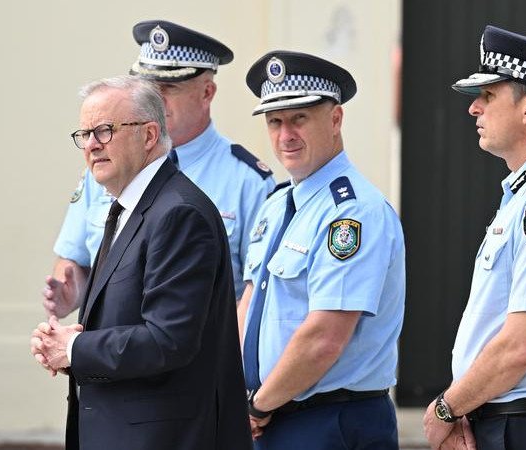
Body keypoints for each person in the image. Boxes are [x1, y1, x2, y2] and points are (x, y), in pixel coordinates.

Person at [30, 75, 252, 450]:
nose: (91, 145)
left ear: (149, 136)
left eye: (104, 131)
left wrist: (74, 349)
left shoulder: (178, 213)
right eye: (84, 134)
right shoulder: (129, 209)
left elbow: (168, 339)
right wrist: (65, 346)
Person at [423, 25, 526, 450]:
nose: (474, 109)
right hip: (514, 420)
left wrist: (446, 408)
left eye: (489, 95)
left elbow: (519, 344)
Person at [43, 20, 275, 318]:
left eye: (168, 88)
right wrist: (71, 292)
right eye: (147, 88)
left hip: (192, 355)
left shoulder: (248, 180)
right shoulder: (107, 167)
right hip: (104, 355)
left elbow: (255, 294)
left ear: (207, 92)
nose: (154, 99)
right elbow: (74, 258)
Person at [238, 50, 405, 449]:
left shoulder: (354, 212)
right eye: (275, 121)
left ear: (335, 119)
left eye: (299, 119)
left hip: (330, 422)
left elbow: (324, 338)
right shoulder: (277, 204)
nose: (285, 135)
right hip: (270, 417)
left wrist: (258, 406)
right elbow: (248, 305)